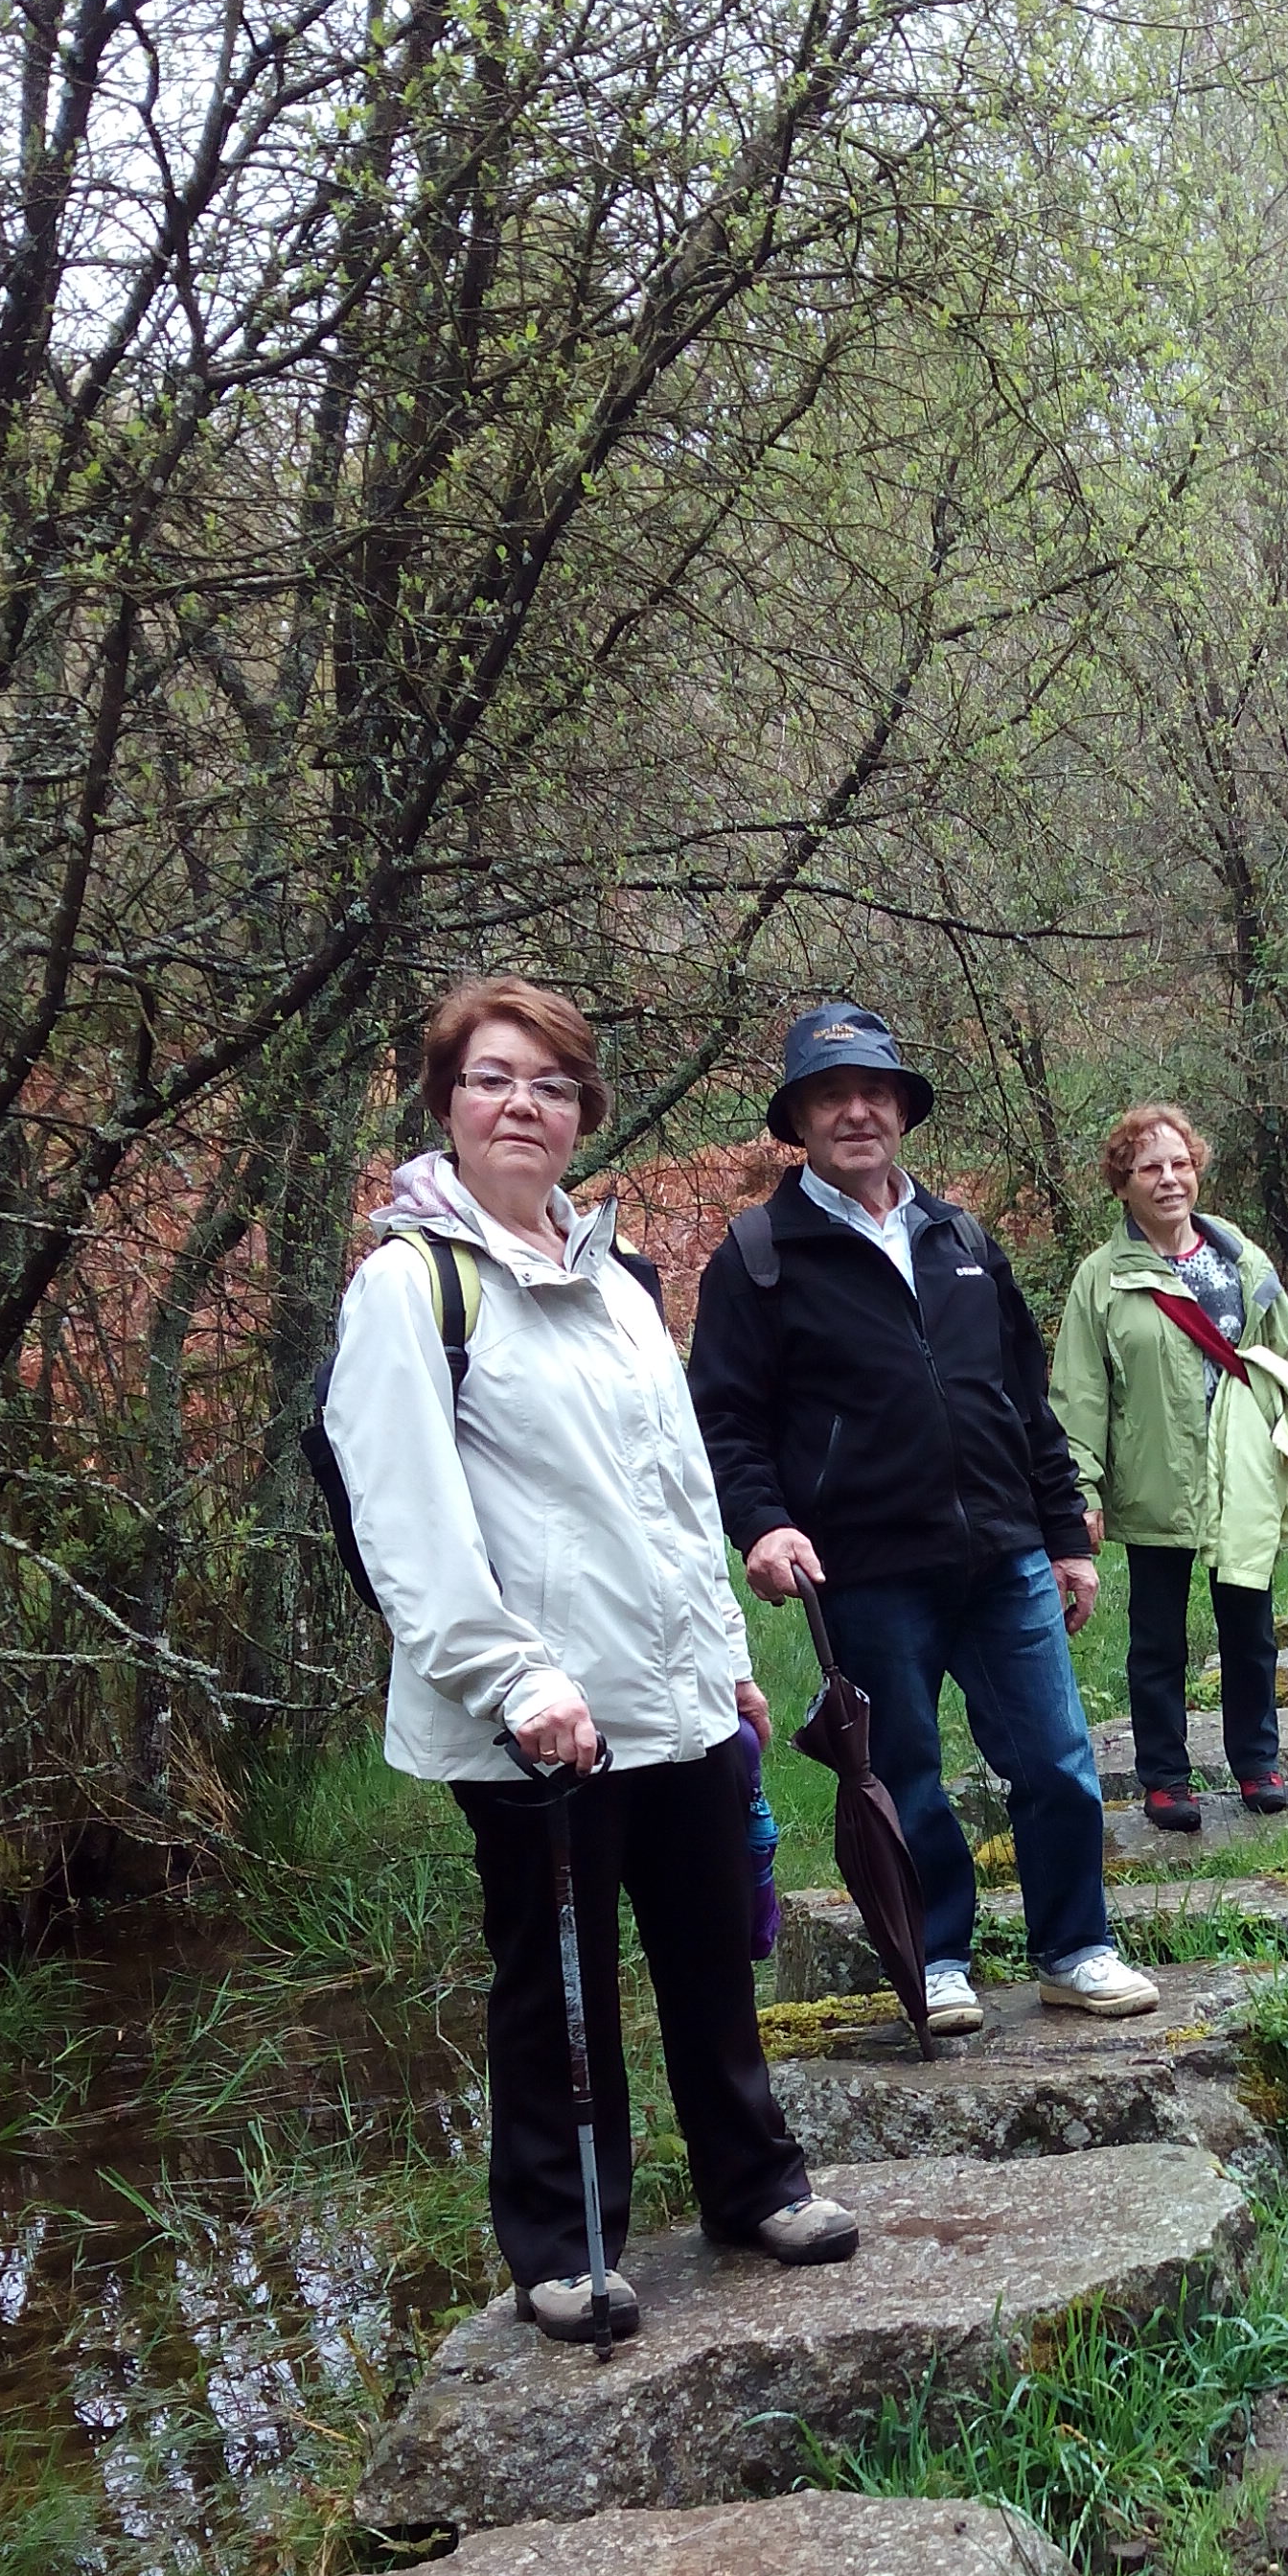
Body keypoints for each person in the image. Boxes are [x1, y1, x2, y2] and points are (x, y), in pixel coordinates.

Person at [321, 974, 856, 2340]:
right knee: (555, 1979)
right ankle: (569, 2241)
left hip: (667, 1689)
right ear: (446, 1102)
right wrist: (517, 1681)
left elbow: (676, 1493)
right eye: (495, 1079)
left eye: (552, 1086)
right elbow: (409, 1522)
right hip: (534, 1715)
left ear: (580, 1115)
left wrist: (726, 1659)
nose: (523, 1106)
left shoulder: (619, 1280)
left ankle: (752, 2184)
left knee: (705, 1950)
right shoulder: (411, 1285)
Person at [687, 999, 1159, 2035]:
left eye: (874, 1093)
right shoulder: (760, 1257)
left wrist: (1062, 1535)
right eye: (830, 1096)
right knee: (903, 1775)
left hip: (1002, 1555)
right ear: (800, 1119)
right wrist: (762, 1525)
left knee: (1057, 1760)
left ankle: (1075, 1948)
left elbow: (1019, 1398)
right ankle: (939, 1958)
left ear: (902, 1109)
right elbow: (722, 1420)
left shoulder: (960, 1238)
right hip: (864, 1568)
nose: (856, 1112)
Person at [1047, 1102, 1288, 1835]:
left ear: (1197, 1170)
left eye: (1179, 1163)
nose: (1168, 1179)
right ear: (1122, 1184)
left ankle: (1259, 1764)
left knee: (1249, 1629)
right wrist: (1077, 1490)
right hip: (1157, 1484)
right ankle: (1164, 1780)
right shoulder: (1101, 1280)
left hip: (1241, 1482)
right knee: (1156, 1640)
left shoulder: (1243, 1261)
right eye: (1149, 1168)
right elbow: (1079, 1396)